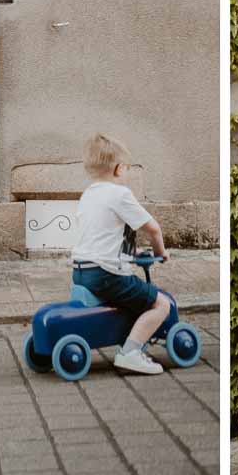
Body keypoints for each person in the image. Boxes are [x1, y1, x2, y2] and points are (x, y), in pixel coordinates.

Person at [70, 133, 174, 375]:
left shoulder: (88, 195)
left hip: (81, 271)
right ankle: (130, 353)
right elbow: (153, 228)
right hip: (106, 273)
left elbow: (102, 235)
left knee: (130, 298)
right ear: (118, 169)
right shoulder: (120, 194)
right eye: (126, 168)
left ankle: (125, 335)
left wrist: (132, 251)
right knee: (161, 304)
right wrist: (161, 251)